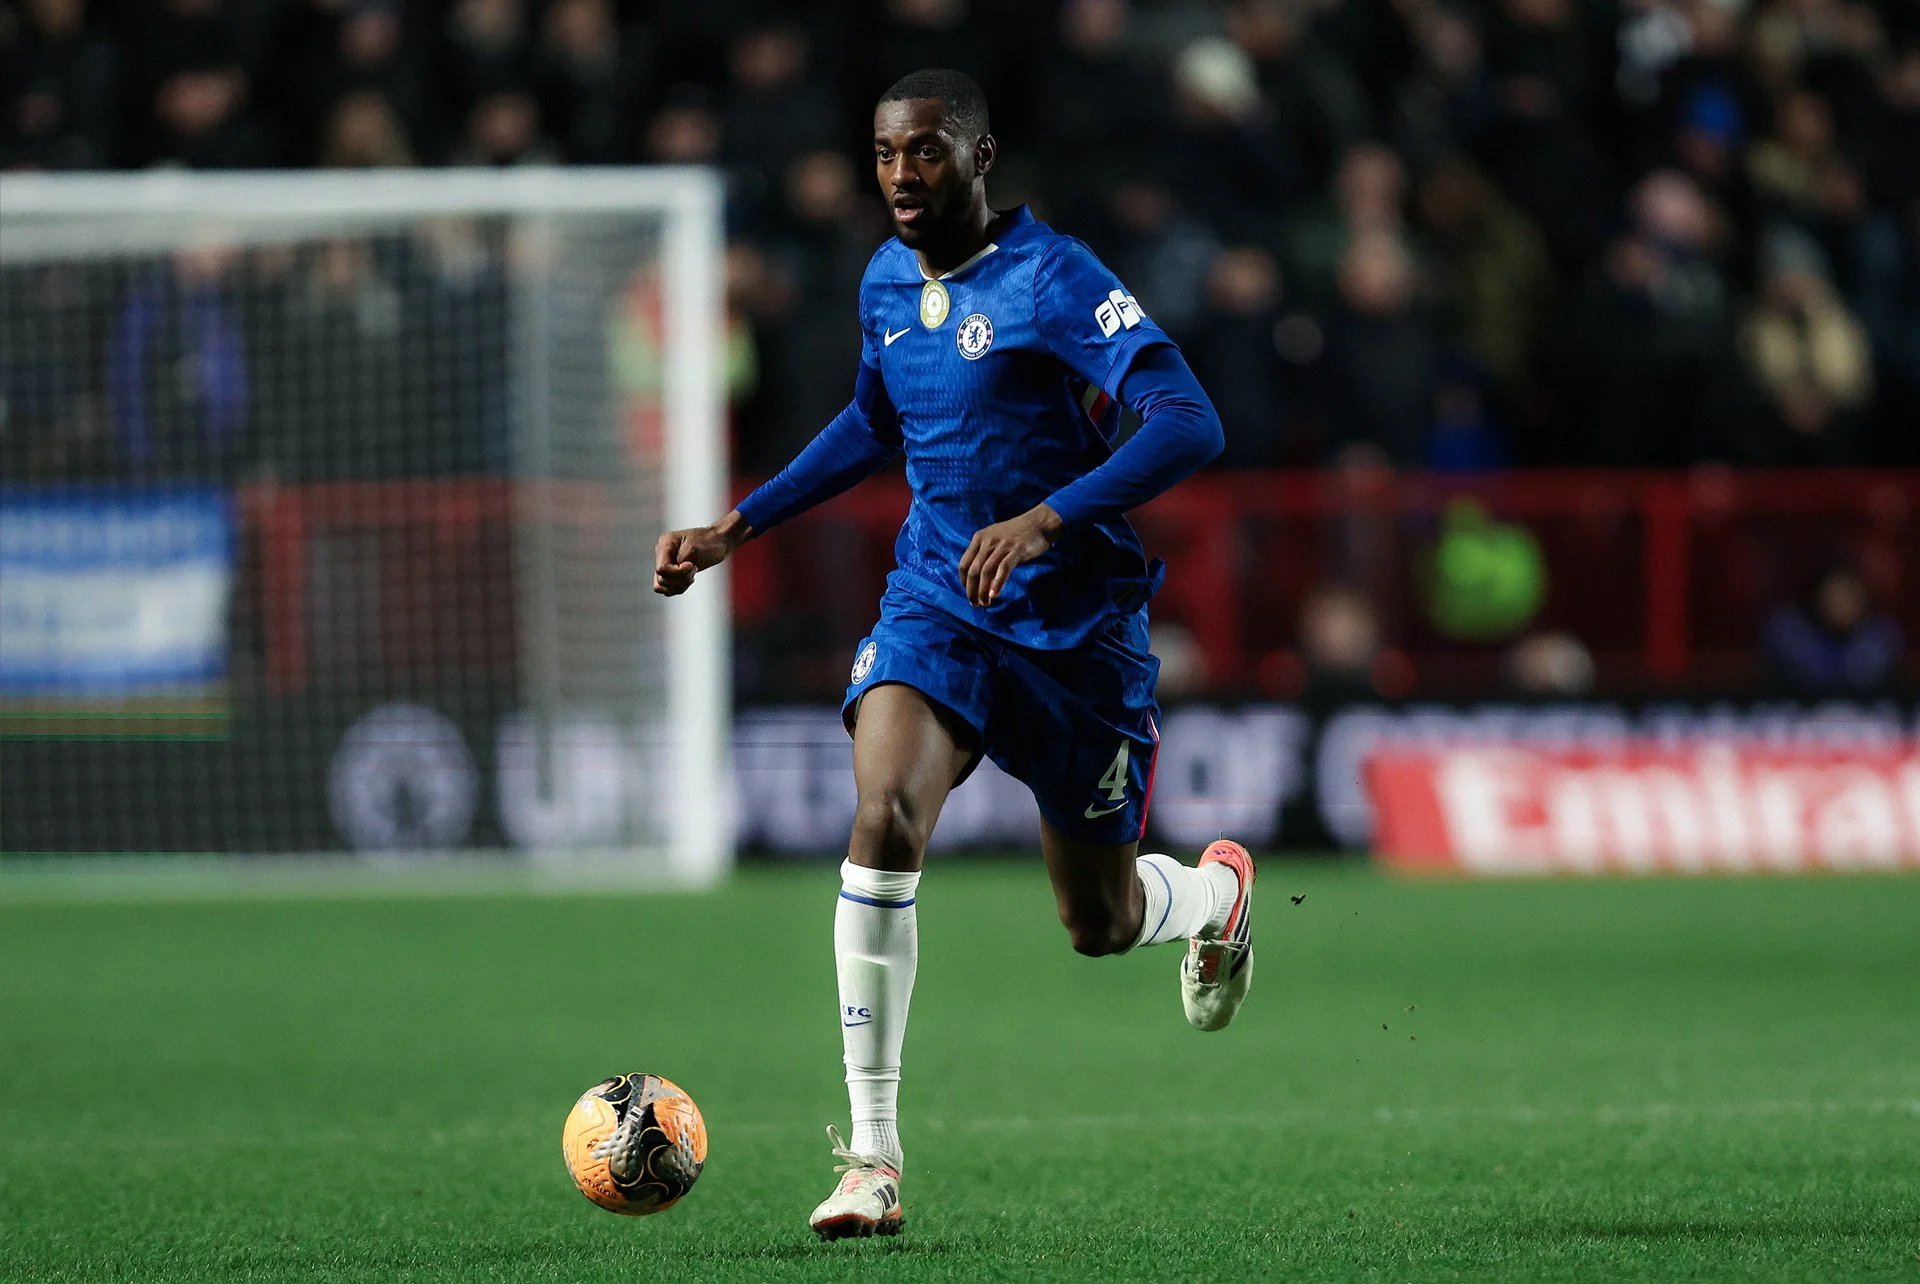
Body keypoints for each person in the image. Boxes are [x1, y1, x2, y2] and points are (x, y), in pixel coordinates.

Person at [652, 69, 1253, 1241]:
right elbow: (876, 422)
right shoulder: (884, 280)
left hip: (1077, 628)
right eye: (884, 155)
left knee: (1100, 922)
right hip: (939, 601)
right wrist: (741, 522)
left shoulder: (1054, 276)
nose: (900, 177)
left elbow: (1190, 419)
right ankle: (870, 1157)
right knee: (883, 815)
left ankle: (1216, 894)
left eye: (925, 153)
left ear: (980, 158)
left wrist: (1048, 517)